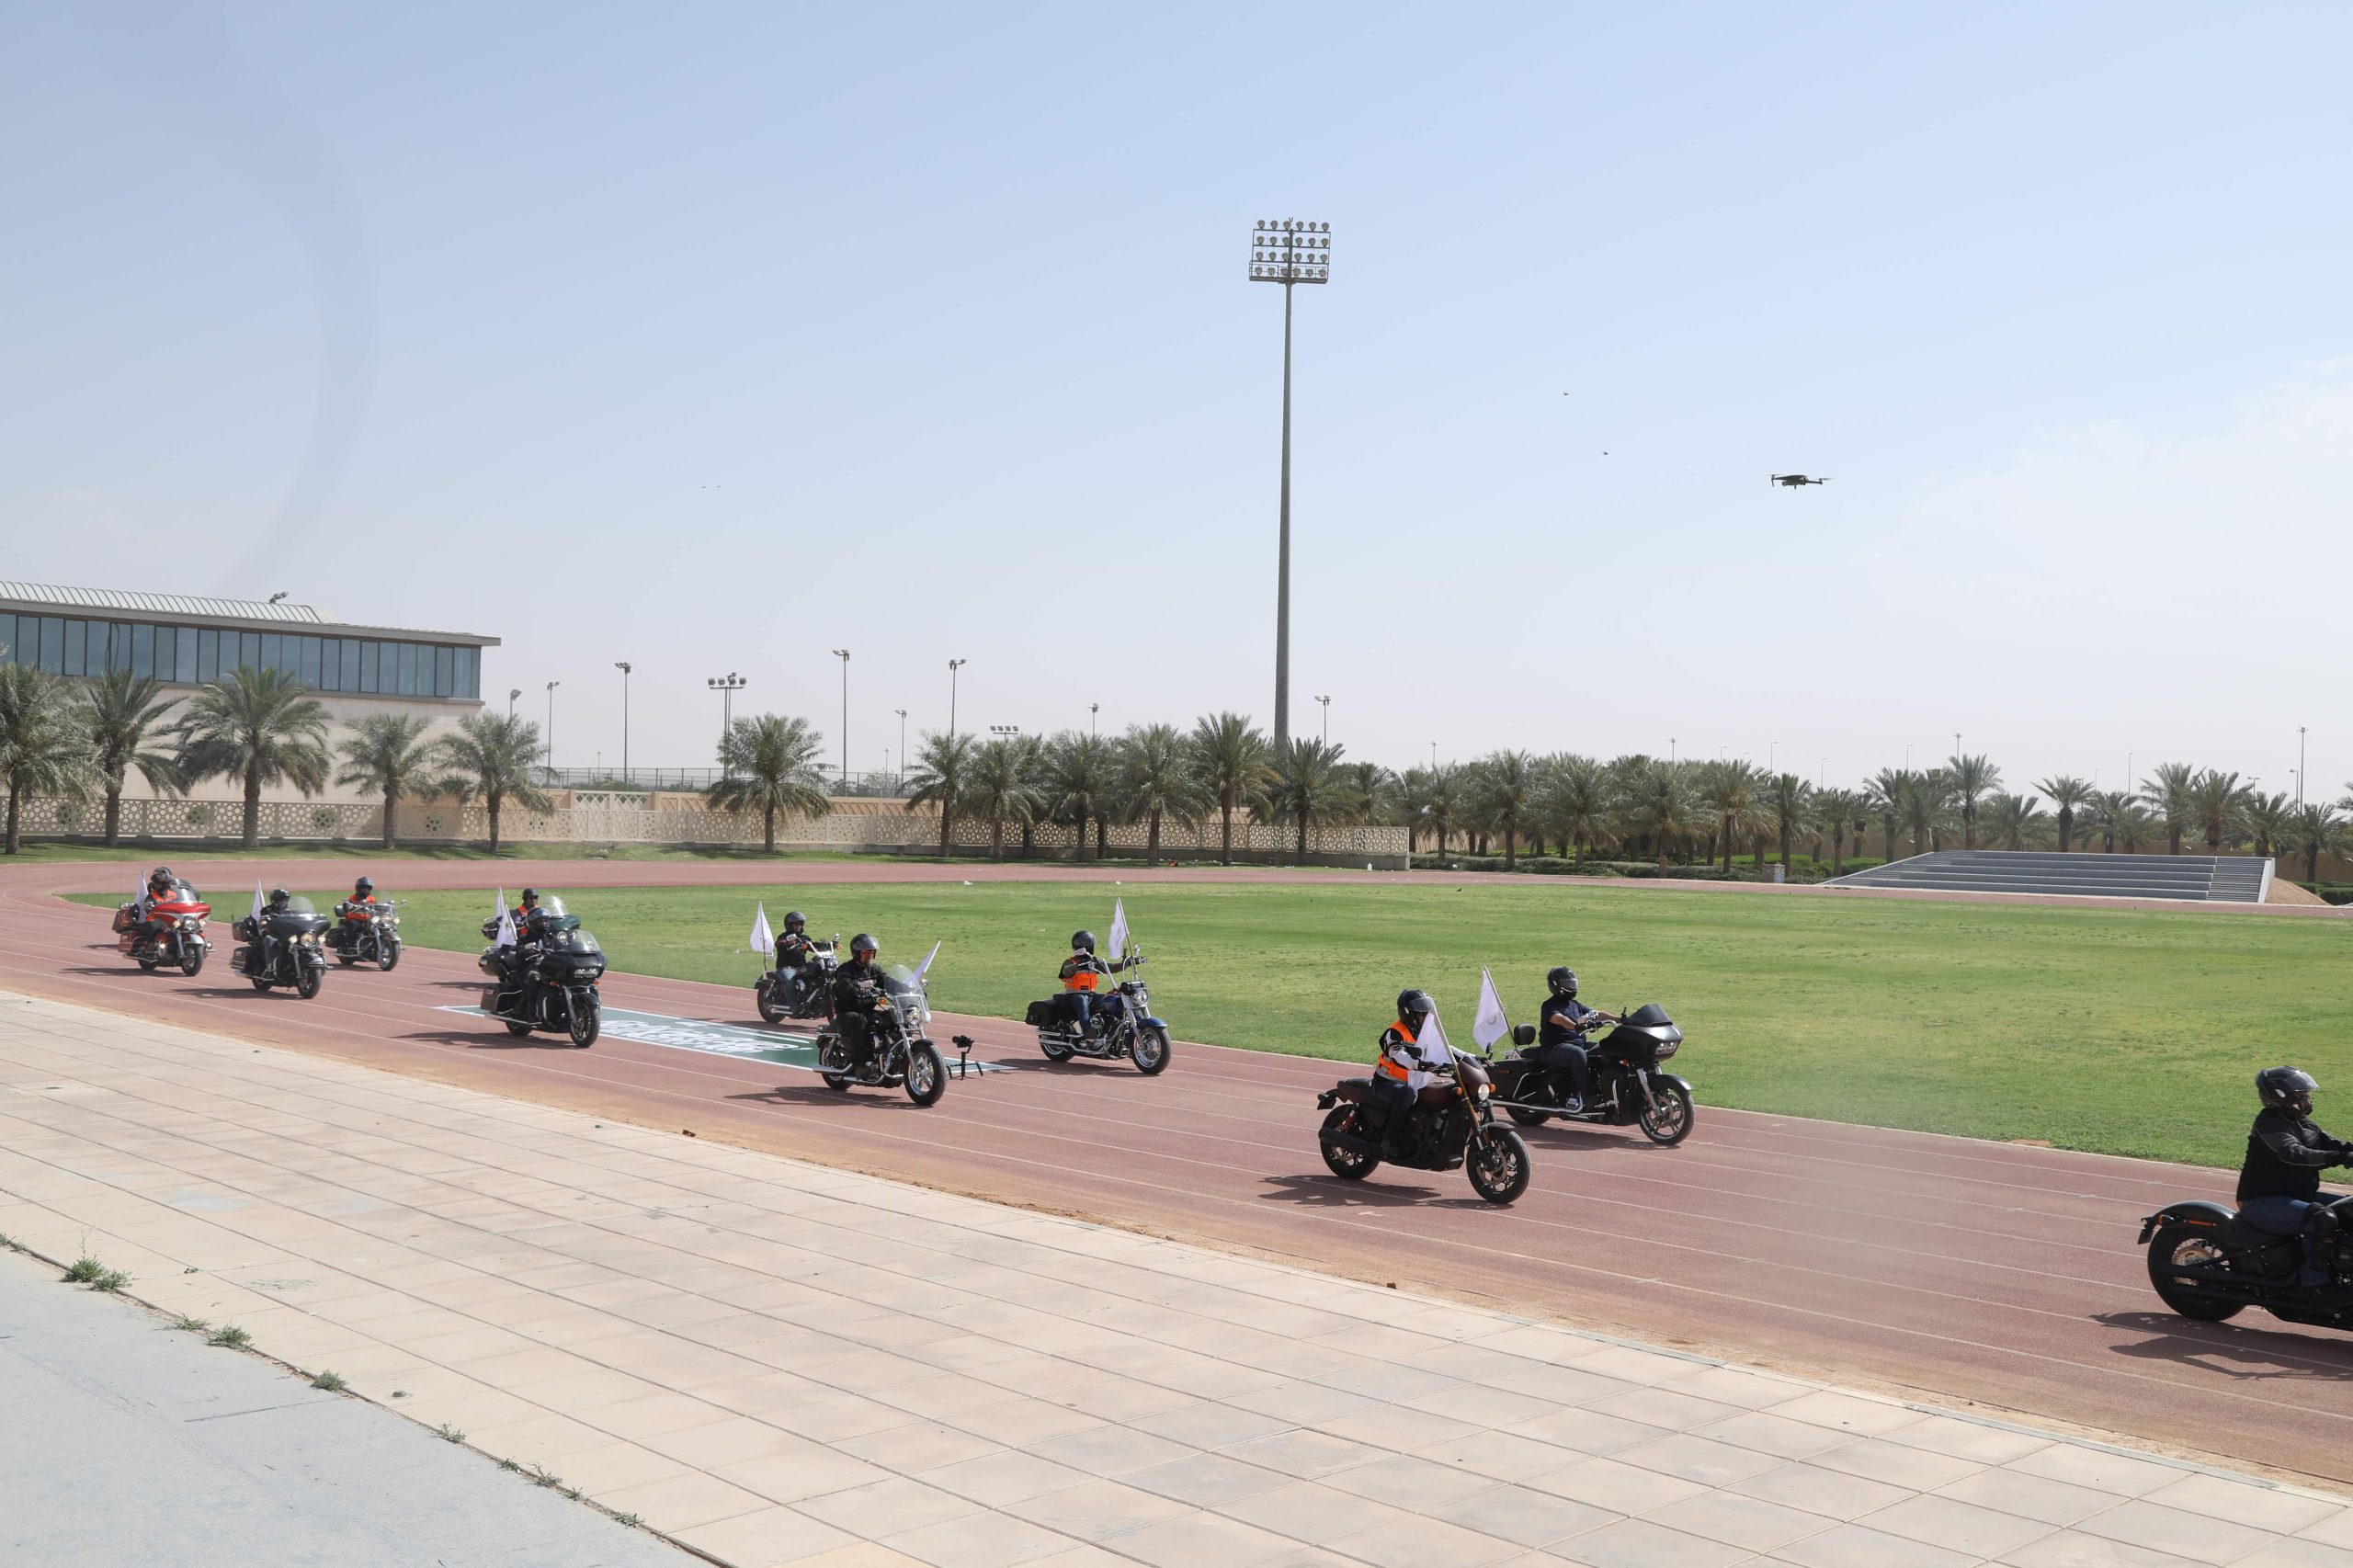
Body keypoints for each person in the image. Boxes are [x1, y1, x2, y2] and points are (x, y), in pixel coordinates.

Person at [2238, 1066, 2353, 1290]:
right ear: (2279, 1097)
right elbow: (2294, 1154)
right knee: (2323, 1218)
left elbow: (2333, 1144)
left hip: (2297, 1195)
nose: (2307, 1101)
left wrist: (2347, 1153)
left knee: (2348, 1210)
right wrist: (2340, 1157)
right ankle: (2315, 1283)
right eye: (2301, 1096)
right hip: (2261, 1201)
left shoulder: (2301, 1123)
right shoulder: (2268, 1123)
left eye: (2306, 1095)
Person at [1370, 989, 1449, 1160]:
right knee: (1407, 1093)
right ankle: (1389, 1140)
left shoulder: (1423, 1032)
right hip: (1386, 1082)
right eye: (1421, 1015)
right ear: (1408, 1013)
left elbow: (1446, 1049)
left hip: (1413, 1080)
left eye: (1426, 1014)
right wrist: (1418, 1064)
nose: (1425, 1018)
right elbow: (1398, 1054)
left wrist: (1471, 1058)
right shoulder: (1394, 1032)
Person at [1534, 968, 1618, 1114]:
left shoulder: (1575, 1005)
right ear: (1556, 985)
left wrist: (1620, 1019)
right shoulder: (1549, 1005)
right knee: (1577, 1054)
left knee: (1604, 1048)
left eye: (1572, 983)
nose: (1571, 987)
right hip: (1553, 1048)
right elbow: (1559, 1019)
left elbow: (1596, 1014)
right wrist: (1575, 1026)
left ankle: (1607, 1091)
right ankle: (1588, 1097)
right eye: (1567, 983)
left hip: (1577, 1044)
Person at [831, 933, 893, 1074]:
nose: (869, 956)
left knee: (892, 1017)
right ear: (856, 953)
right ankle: (860, 1064)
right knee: (860, 1021)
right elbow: (844, 984)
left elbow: (887, 981)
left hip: (867, 1010)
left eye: (871, 953)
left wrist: (907, 988)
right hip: (848, 1012)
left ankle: (889, 1055)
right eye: (865, 953)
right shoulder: (845, 969)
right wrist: (855, 991)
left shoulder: (875, 969)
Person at [1059, 931, 1134, 1040]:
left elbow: (1111, 967)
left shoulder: (1093, 961)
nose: (1092, 947)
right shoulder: (1070, 961)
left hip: (1091, 994)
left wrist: (1126, 964)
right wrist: (1076, 967)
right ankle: (1088, 1032)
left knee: (1111, 999)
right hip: (1074, 995)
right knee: (1081, 1001)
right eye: (1090, 945)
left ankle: (1111, 1028)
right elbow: (1065, 972)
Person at [774, 911, 818, 1009]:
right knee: (790, 979)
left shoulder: (804, 938)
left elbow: (814, 945)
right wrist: (788, 943)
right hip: (786, 968)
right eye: (796, 924)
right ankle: (793, 1005)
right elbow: (779, 943)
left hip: (801, 968)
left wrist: (829, 945)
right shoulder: (783, 937)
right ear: (789, 925)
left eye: (801, 924)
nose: (799, 926)